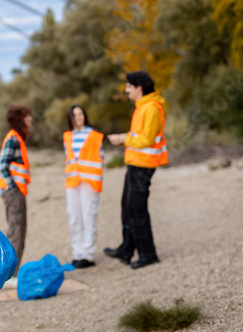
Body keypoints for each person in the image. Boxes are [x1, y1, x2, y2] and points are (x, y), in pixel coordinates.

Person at [105, 70, 168, 269]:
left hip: (144, 166)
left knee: (136, 209)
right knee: (127, 206)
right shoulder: (141, 107)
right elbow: (139, 136)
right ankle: (126, 249)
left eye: (129, 87)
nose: (126, 90)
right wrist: (125, 138)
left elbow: (147, 139)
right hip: (135, 163)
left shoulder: (151, 108)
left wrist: (123, 139)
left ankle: (148, 254)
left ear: (139, 88)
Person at [63, 105, 104, 269]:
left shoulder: (94, 135)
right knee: (74, 218)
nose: (78, 117)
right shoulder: (67, 136)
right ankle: (77, 253)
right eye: (75, 115)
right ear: (70, 118)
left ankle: (88, 254)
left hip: (89, 181)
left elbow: (100, 158)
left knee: (88, 217)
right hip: (72, 182)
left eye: (80, 114)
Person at [0, 104, 32, 287]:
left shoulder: (17, 138)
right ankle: (11, 276)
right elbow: (2, 165)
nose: (30, 119)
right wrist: (13, 187)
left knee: (17, 231)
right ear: (19, 119)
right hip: (13, 192)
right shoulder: (13, 138)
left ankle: (11, 273)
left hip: (14, 191)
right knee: (16, 232)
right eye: (27, 116)